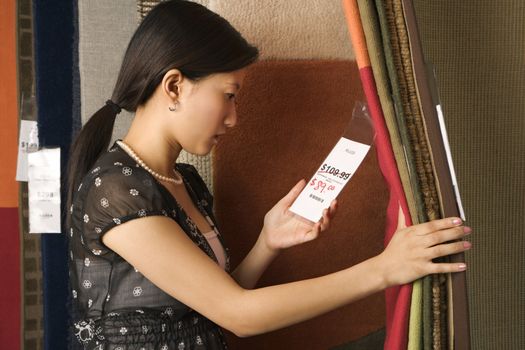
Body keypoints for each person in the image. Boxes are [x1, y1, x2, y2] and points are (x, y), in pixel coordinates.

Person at [66, 1, 472, 349]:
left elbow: (211, 306)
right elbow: (237, 314)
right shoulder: (115, 189)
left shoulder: (185, 180)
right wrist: (385, 268)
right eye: (228, 95)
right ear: (174, 86)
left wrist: (267, 241)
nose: (233, 118)